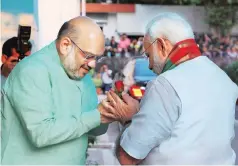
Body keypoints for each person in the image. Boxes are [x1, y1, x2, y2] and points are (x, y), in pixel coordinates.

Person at [1, 16, 138, 165]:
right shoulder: (32, 71)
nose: (92, 64)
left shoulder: (82, 75)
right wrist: (97, 117)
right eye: (88, 56)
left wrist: (109, 111)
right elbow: (40, 134)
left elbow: (93, 129)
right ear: (65, 45)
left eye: (97, 58)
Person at [105, 13, 238, 164]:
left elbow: (127, 157)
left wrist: (129, 118)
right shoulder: (224, 79)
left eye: (148, 55)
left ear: (162, 45)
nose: (149, 65)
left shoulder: (165, 84)